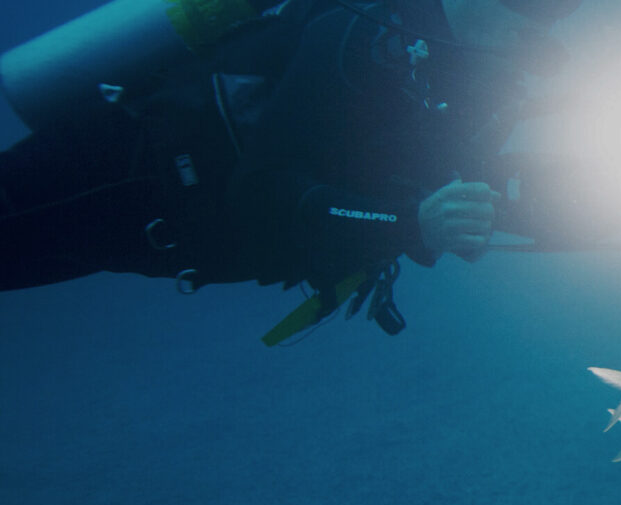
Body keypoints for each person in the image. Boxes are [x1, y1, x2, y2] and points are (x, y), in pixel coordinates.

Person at [0, 0, 583, 341]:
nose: (542, 31)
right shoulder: (365, 33)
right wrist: (410, 223)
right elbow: (260, 189)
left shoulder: (477, 83)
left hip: (165, 235)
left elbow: (452, 188)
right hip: (121, 172)